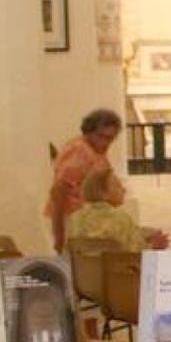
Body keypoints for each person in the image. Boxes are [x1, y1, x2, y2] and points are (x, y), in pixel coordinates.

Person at [47, 108, 122, 252]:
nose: (105, 142)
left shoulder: (95, 150)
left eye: (110, 138)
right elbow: (58, 191)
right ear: (88, 132)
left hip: (91, 220)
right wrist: (59, 238)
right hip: (76, 221)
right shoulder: (78, 151)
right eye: (100, 136)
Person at [67, 169, 170, 253]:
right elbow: (134, 252)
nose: (124, 190)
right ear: (103, 193)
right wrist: (154, 246)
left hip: (84, 276)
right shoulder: (119, 218)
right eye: (118, 186)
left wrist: (146, 235)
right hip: (117, 276)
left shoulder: (74, 218)